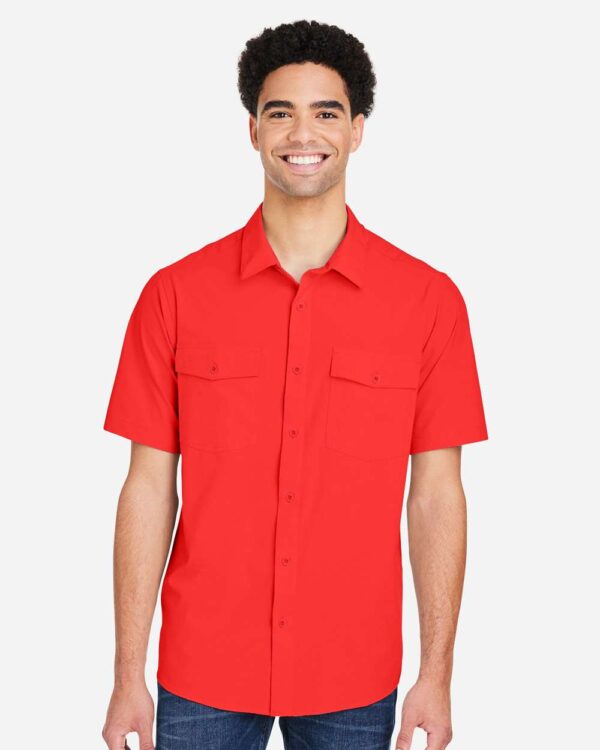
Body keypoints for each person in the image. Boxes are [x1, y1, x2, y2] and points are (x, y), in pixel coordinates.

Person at [101, 19, 489, 750]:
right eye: (280, 112)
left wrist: (437, 673)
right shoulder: (174, 296)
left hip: (354, 670)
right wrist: (127, 673)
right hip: (203, 666)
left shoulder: (428, 302)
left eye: (326, 112)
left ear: (357, 130)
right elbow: (148, 488)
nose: (302, 133)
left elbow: (437, 495)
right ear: (253, 130)